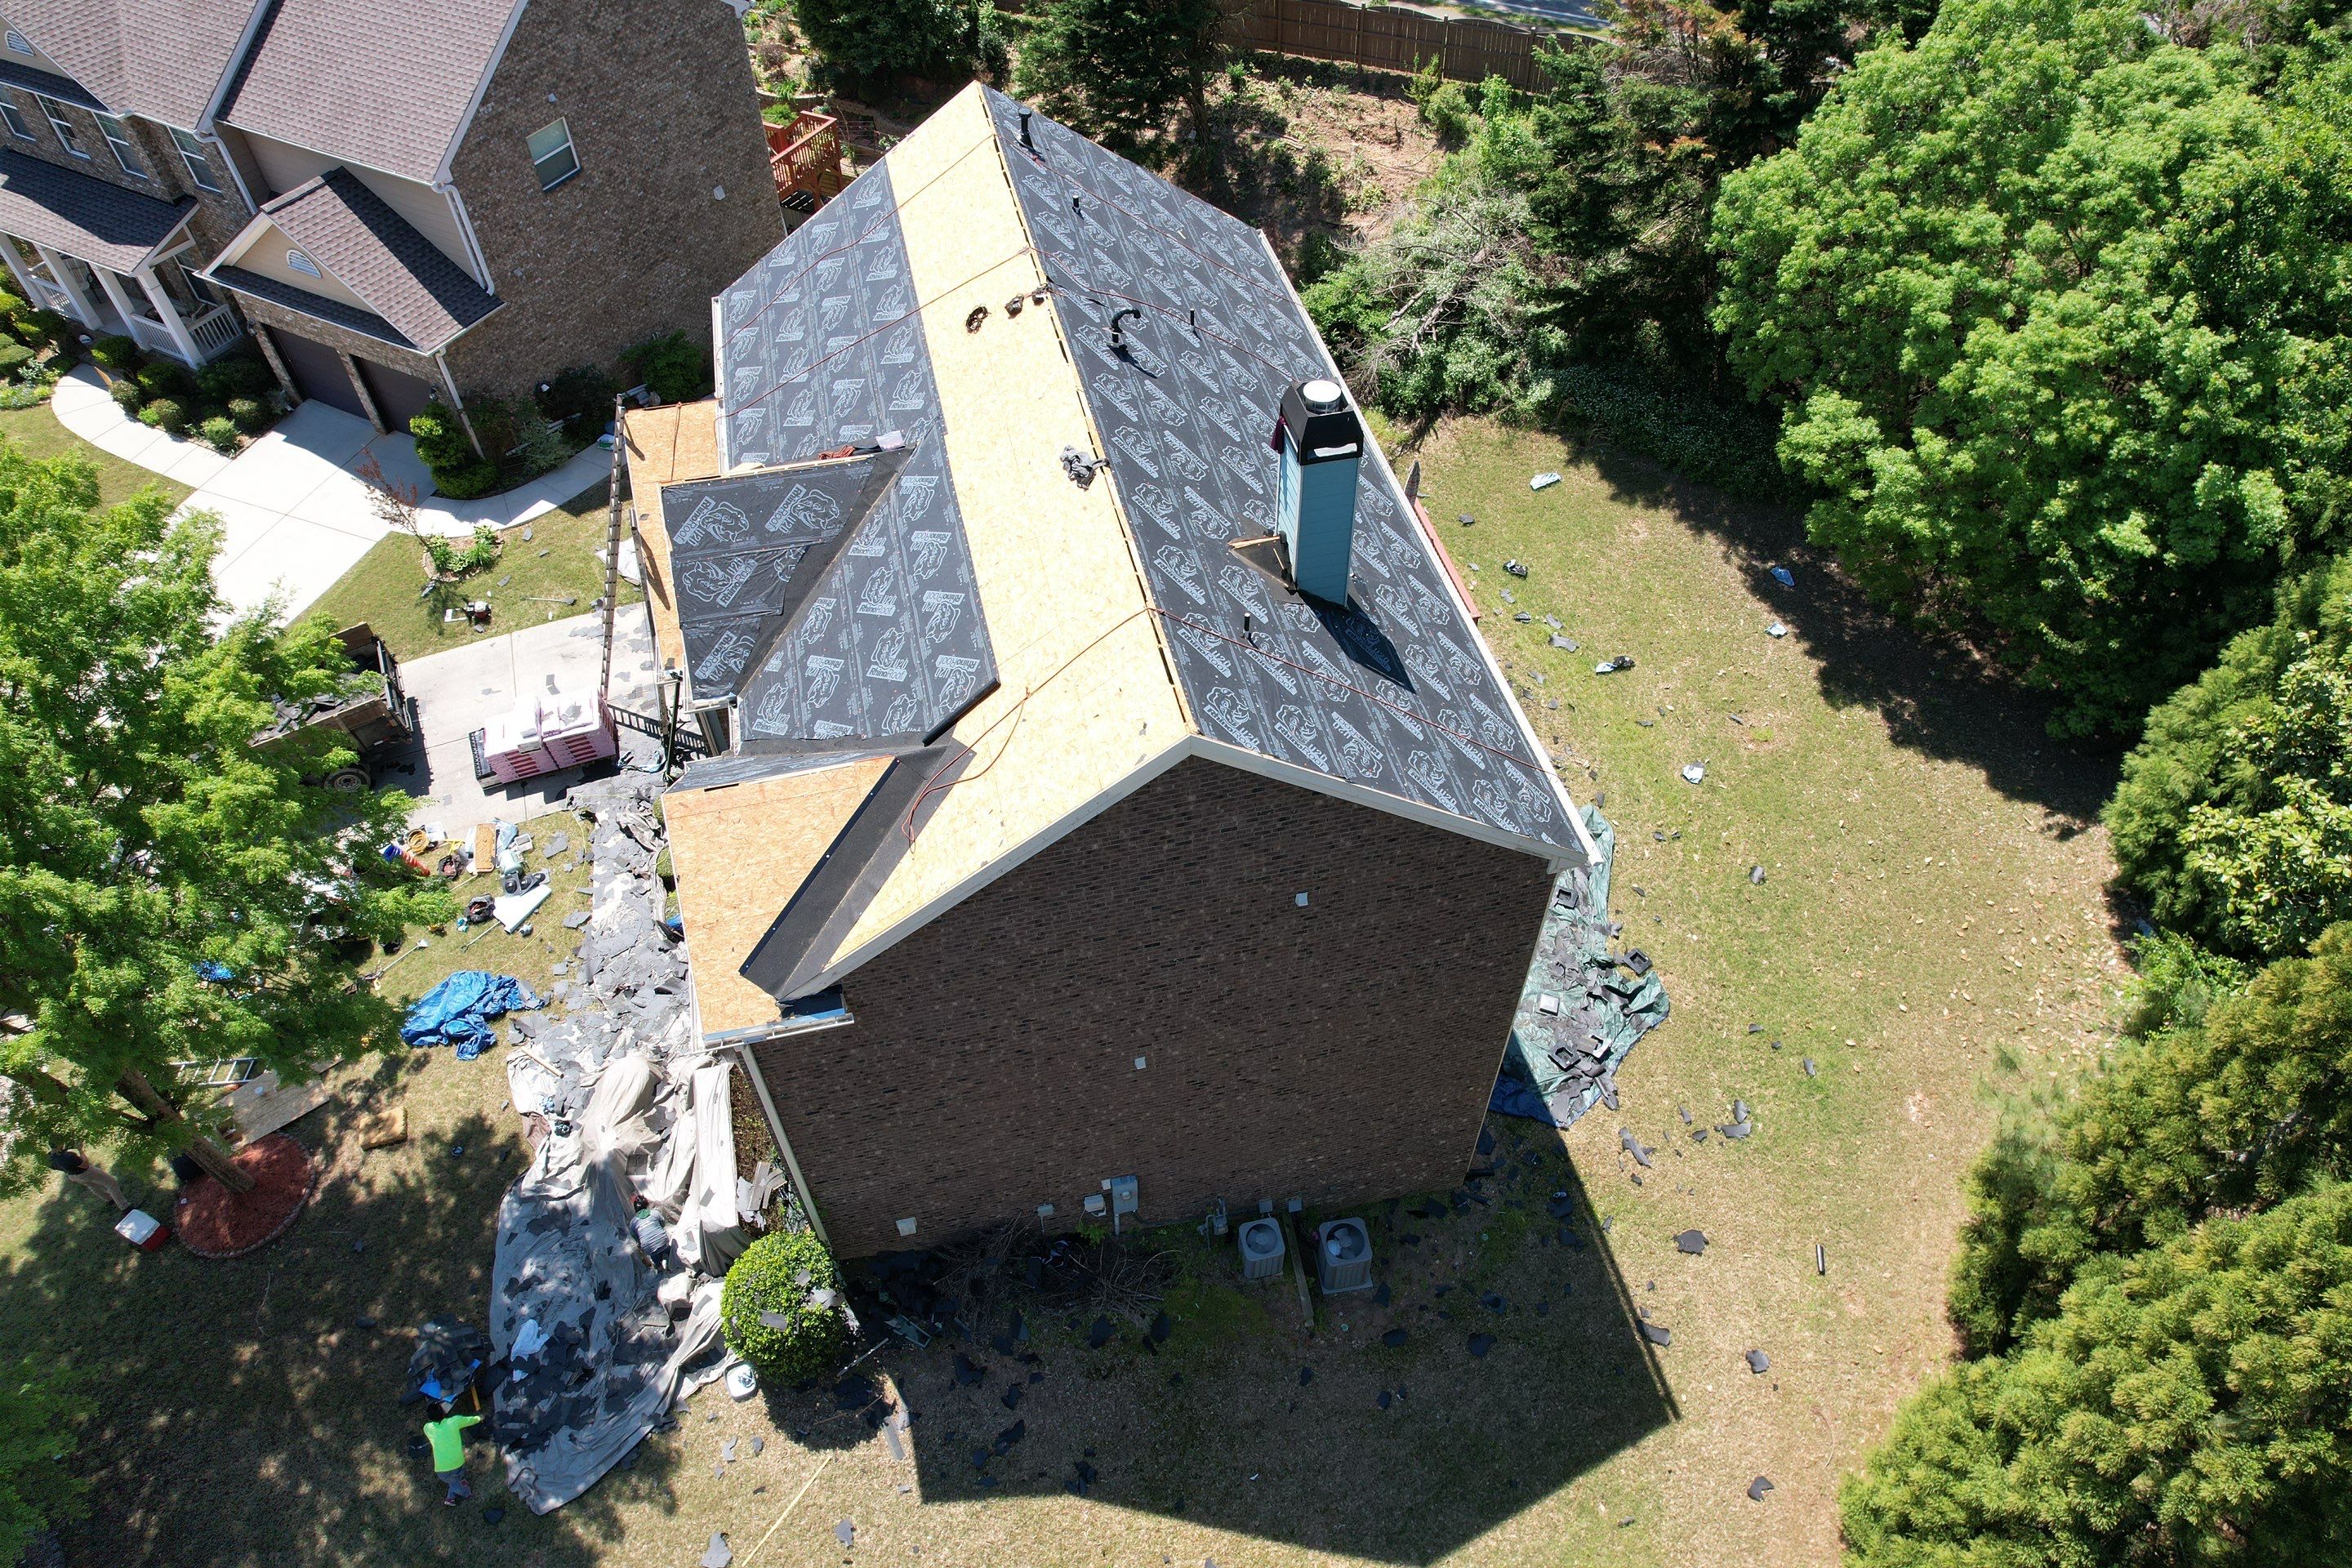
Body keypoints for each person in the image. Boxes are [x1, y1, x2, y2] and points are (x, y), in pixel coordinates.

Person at [423, 1409, 482, 1504]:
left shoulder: (427, 1428)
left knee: (453, 1482)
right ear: (443, 1412)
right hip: (456, 1465)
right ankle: (467, 1494)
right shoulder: (454, 1421)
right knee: (457, 1484)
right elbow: (470, 1420)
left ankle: (450, 1498)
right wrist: (480, 1417)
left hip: (441, 1469)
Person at [47, 1147, 129, 1213]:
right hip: (86, 1172)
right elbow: (85, 1164)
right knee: (111, 1183)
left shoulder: (48, 1158)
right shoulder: (69, 1156)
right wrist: (81, 1151)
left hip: (72, 1176)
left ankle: (109, 1199)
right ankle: (125, 1207)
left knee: (93, 1186)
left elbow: (56, 1165)